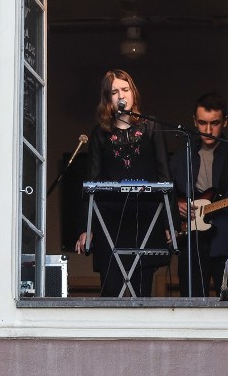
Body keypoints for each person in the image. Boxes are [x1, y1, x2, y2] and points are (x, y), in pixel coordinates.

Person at [74, 69, 171, 297]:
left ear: (133, 94)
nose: (121, 96)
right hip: (111, 222)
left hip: (146, 217)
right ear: (108, 99)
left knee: (142, 291)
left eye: (125, 90)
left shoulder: (152, 127)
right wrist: (85, 228)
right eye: (115, 92)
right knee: (111, 290)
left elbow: (164, 176)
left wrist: (169, 222)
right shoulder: (100, 134)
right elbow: (92, 182)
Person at [170, 92, 228, 297]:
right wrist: (176, 205)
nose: (208, 130)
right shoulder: (181, 157)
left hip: (225, 238)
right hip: (192, 240)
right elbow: (168, 192)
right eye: (202, 123)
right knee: (191, 301)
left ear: (225, 122)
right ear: (194, 122)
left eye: (214, 123)